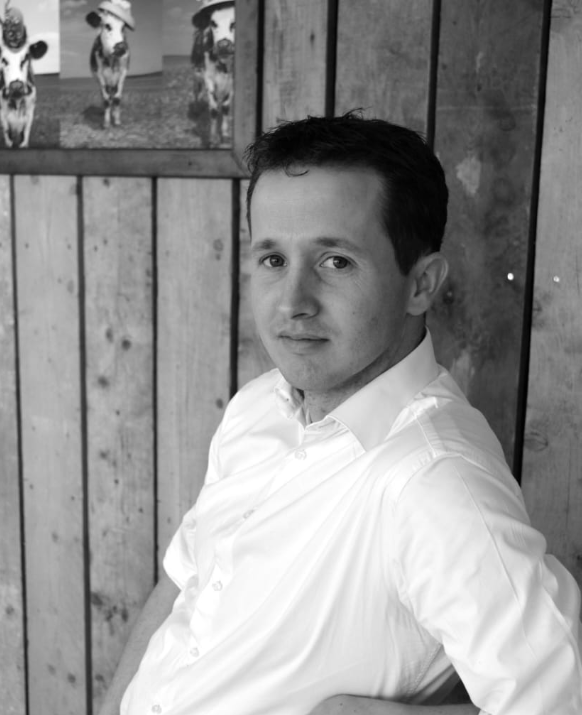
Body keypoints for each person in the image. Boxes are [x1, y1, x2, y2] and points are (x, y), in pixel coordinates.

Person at [98, 112, 582, 715]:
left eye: (335, 262)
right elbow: (184, 584)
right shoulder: (259, 407)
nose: (292, 303)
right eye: (273, 260)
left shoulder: (436, 481)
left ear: (421, 284)